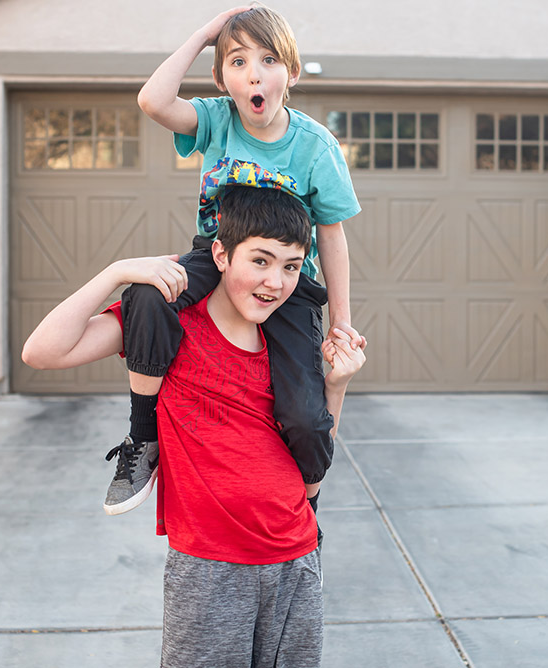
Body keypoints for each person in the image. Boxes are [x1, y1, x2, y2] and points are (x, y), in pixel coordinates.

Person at [21, 186, 366, 667]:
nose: (276, 281)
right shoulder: (172, 325)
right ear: (221, 255)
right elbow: (41, 352)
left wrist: (337, 385)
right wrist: (116, 272)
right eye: (261, 260)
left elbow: (315, 457)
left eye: (291, 266)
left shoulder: (288, 348)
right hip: (210, 568)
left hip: (297, 556)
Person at [100, 4, 364, 519]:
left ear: (290, 70)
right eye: (238, 62)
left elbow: (332, 237)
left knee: (306, 421)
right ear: (222, 78)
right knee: (147, 296)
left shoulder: (315, 147)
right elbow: (153, 100)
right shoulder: (216, 119)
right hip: (214, 255)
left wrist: (342, 321)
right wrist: (205, 35)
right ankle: (142, 437)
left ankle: (308, 511)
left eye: (268, 59)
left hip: (286, 280)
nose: (254, 73)